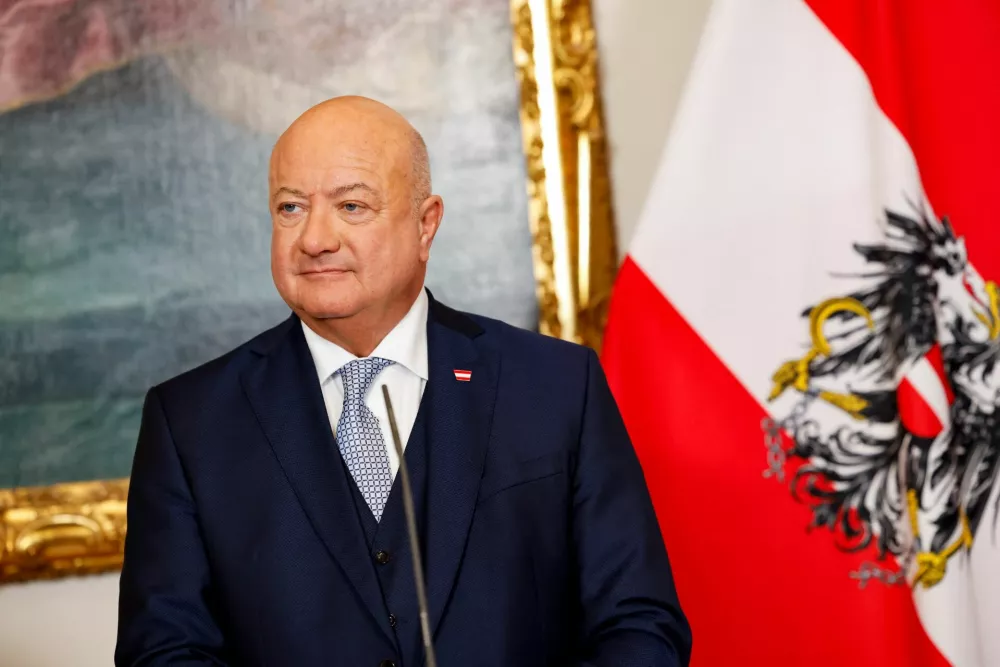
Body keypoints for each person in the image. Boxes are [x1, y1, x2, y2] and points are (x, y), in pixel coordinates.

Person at [115, 96, 691, 666]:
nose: (315, 238)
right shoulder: (190, 423)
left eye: (352, 206)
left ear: (426, 224)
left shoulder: (556, 386)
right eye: (291, 208)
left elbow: (639, 624)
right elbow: (164, 651)